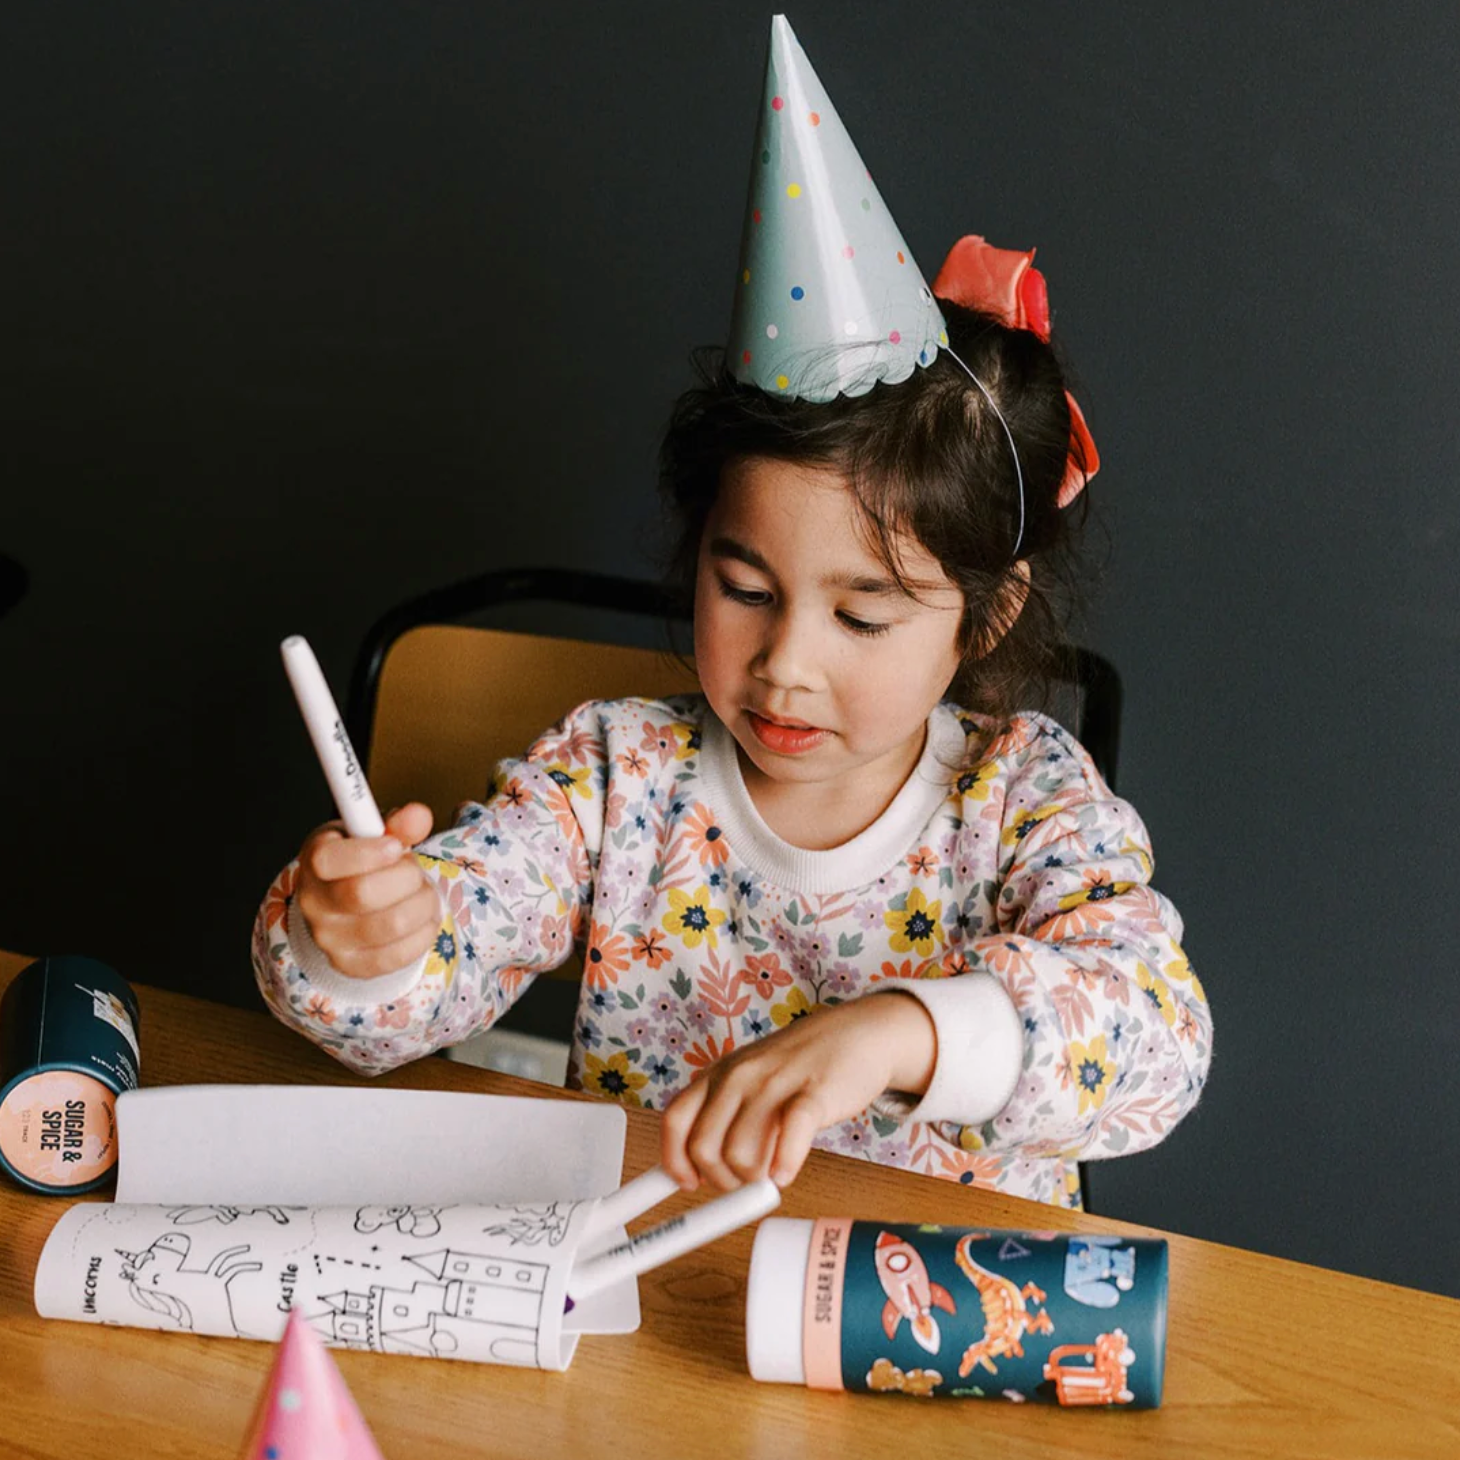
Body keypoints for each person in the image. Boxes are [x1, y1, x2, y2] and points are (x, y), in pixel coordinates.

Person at [252, 17, 1210, 1209]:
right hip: (653, 1285)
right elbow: (410, 994)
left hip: (932, 1300)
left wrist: (893, 1030)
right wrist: (354, 944)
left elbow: (1156, 1040)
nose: (784, 664)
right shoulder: (615, 777)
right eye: (745, 589)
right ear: (696, 548)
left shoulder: (1024, 798)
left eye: (862, 617)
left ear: (984, 613)